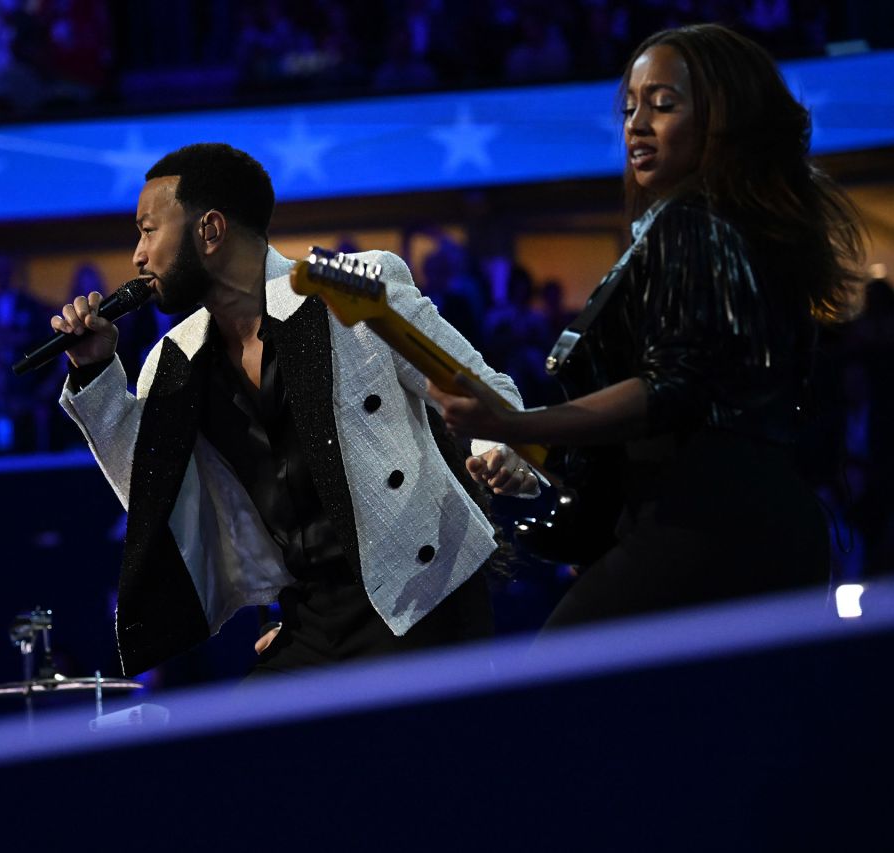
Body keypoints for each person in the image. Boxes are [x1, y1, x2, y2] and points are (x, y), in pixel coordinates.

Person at [429, 24, 865, 628]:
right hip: (762, 527)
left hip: (702, 524)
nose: (636, 124)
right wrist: (534, 463)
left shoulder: (692, 224)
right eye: (631, 107)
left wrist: (514, 421)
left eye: (663, 105)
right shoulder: (737, 231)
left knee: (552, 707)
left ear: (722, 119)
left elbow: (672, 391)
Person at [52, 142, 537, 677]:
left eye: (148, 230)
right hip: (312, 616)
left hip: (420, 594)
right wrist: (94, 371)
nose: (138, 257)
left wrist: (499, 448)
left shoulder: (345, 281)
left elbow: (477, 387)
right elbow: (152, 500)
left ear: (210, 231)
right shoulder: (175, 358)